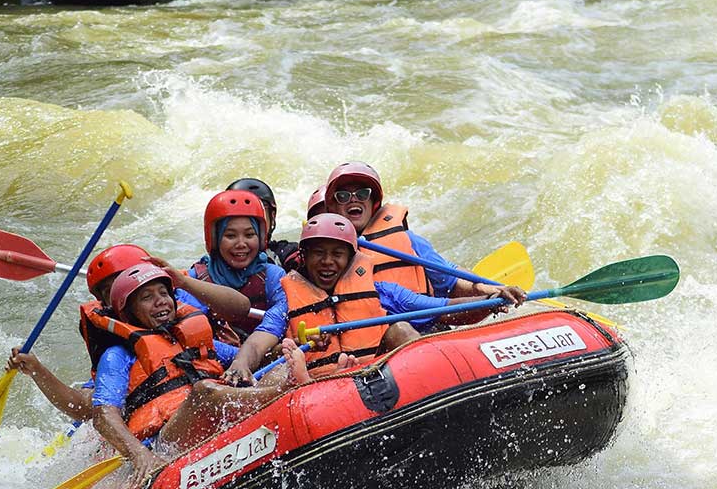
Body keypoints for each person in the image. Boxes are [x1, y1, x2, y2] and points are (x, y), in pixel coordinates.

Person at [223, 213, 526, 382]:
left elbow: (442, 308)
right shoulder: (289, 300)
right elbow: (259, 340)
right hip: (317, 386)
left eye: (337, 254)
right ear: (304, 257)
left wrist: (493, 300)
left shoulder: (382, 291)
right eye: (319, 254)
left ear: (352, 258)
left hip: (373, 378)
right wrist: (241, 364)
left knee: (400, 330)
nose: (328, 262)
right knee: (282, 362)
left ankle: (434, 388)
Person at [91, 263, 307, 484]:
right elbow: (103, 416)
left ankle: (286, 390)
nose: (160, 301)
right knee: (204, 391)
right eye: (147, 297)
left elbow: (249, 360)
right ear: (128, 313)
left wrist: (284, 350)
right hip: (167, 438)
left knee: (279, 368)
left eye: (164, 293)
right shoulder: (117, 356)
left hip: (218, 415)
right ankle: (287, 392)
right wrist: (140, 455)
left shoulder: (193, 339)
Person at [6, 244, 253, 422]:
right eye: (114, 289)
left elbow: (239, 313)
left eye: (158, 290)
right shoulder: (116, 351)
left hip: (211, 394)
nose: (157, 300)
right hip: (169, 421)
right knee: (203, 392)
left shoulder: (180, 305)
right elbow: (89, 408)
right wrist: (38, 371)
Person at [323, 162, 521, 304]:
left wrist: (493, 291)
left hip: (418, 329)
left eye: (362, 194)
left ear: (373, 202)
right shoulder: (320, 255)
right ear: (332, 206)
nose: (353, 200)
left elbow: (452, 281)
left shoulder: (407, 241)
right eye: (343, 196)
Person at [184, 190, 289, 348]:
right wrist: (237, 358)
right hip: (218, 360)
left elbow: (277, 322)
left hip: (265, 353)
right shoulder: (193, 280)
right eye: (231, 236)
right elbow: (193, 335)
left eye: (249, 235)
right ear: (215, 238)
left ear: (260, 238)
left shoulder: (273, 275)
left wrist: (253, 357)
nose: (241, 244)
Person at [226, 178, 298, 268]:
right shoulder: (211, 265)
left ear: (272, 216)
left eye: (259, 215)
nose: (248, 224)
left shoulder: (285, 253)